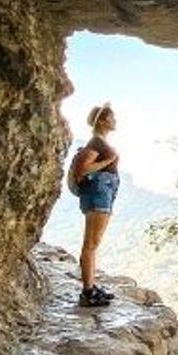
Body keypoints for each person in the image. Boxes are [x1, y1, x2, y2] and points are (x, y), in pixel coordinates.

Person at [67, 102, 120, 307]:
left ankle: (91, 286)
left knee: (93, 244)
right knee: (91, 244)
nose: (115, 121)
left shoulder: (98, 143)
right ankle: (88, 293)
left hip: (101, 192)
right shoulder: (95, 144)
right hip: (99, 193)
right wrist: (109, 161)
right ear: (103, 120)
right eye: (112, 117)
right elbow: (82, 170)